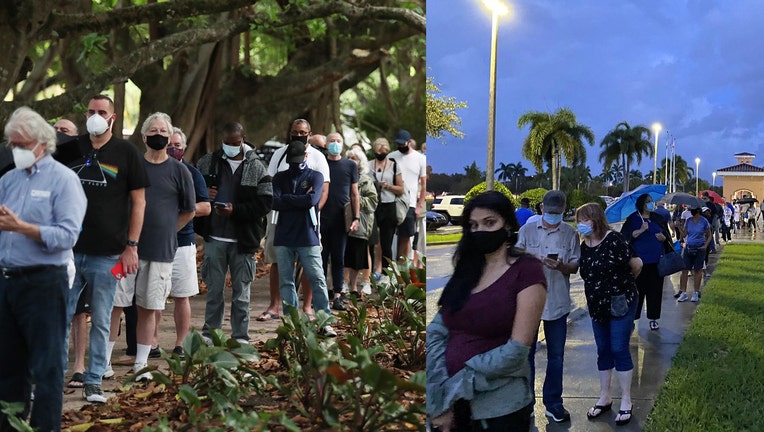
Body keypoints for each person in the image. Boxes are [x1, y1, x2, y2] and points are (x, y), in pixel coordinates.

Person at [427, 191, 546, 432]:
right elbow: (438, 330)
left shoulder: (527, 271)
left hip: (499, 410)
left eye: (489, 223)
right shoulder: (467, 270)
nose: (480, 231)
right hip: (449, 409)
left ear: (508, 226)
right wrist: (438, 391)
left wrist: (452, 391)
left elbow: (516, 351)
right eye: (473, 225)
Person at [0, 107, 87, 431]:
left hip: (43, 283)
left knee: (46, 367)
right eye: (12, 144)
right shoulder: (9, 178)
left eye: (20, 144)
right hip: (7, 281)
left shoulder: (64, 181)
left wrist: (22, 227)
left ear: (41, 143)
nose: (16, 150)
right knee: (8, 366)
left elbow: (67, 236)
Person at [66, 94, 150, 404]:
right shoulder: (72, 149)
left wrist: (132, 246)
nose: (95, 116)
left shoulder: (127, 152)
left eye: (102, 112)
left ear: (113, 117)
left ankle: (94, 381)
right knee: (59, 315)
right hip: (68, 252)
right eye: (90, 111)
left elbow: (139, 202)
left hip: (109, 254)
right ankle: (49, 377)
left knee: (101, 318)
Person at [107, 113, 195, 381]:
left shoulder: (180, 171)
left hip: (160, 252)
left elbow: (189, 210)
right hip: (124, 251)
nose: (158, 134)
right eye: (153, 130)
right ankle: (103, 362)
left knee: (149, 307)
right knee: (114, 305)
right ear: (143, 136)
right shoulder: (131, 165)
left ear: (170, 138)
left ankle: (142, 364)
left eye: (163, 130)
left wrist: (168, 230)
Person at [196, 122, 272, 343]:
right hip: (215, 238)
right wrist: (205, 194)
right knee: (214, 291)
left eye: (235, 143)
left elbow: (265, 202)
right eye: (227, 143)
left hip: (243, 239)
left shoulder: (257, 166)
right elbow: (192, 191)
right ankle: (211, 333)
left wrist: (236, 210)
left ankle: (240, 336)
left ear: (243, 139)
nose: (231, 147)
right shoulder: (208, 162)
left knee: (241, 293)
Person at [515, 190, 580, 423]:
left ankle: (553, 403)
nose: (553, 216)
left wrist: (561, 266)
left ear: (563, 210)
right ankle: (526, 403)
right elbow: (514, 260)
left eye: (557, 212)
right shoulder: (527, 231)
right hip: (528, 303)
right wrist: (531, 261)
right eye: (549, 211)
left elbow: (574, 266)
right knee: (526, 356)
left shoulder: (570, 234)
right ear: (541, 208)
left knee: (557, 356)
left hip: (557, 302)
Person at [575, 203, 642, 426]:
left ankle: (626, 398)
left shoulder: (614, 240)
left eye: (585, 219)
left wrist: (623, 284)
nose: (581, 224)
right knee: (603, 349)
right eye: (579, 220)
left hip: (621, 302)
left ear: (596, 219)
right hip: (597, 305)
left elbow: (637, 264)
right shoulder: (584, 245)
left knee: (618, 347)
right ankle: (605, 396)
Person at [258, 119, 330, 321]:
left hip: (308, 226)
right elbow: (274, 196)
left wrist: (304, 206)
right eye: (295, 132)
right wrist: (299, 200)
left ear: (309, 133)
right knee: (279, 267)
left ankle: (310, 309)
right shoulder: (280, 155)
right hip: (281, 225)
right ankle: (279, 309)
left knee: (313, 271)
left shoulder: (317, 160)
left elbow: (318, 195)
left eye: (302, 132)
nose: (299, 135)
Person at [150, 127, 211, 358]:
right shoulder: (153, 169)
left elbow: (206, 207)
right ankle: (152, 343)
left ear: (184, 148)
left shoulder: (191, 173)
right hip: (155, 242)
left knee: (181, 295)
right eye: (169, 144)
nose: (173, 148)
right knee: (153, 296)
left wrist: (183, 209)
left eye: (177, 145)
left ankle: (180, 344)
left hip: (183, 243)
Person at [271, 140, 336, 336]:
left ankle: (324, 322)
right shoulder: (279, 178)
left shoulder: (315, 176)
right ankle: (291, 322)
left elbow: (312, 200)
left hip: (308, 235)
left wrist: (288, 199)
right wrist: (298, 199)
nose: (296, 163)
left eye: (299, 159)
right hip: (283, 235)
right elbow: (274, 202)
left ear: (306, 157)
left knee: (317, 278)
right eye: (292, 160)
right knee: (286, 281)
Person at [321, 132, 359, 311]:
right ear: (326, 144)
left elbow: (354, 194)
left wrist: (356, 217)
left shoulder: (350, 165)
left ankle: (337, 295)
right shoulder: (320, 163)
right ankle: (319, 295)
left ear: (343, 145)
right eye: (331, 141)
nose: (335, 144)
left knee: (338, 258)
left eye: (338, 141)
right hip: (321, 217)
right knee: (320, 258)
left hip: (341, 219)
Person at [621, 194, 671, 331]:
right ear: (642, 204)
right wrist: (640, 230)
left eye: (651, 201)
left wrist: (663, 238)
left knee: (655, 291)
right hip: (639, 263)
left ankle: (653, 318)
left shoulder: (657, 218)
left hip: (656, 262)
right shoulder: (633, 219)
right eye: (648, 202)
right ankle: (633, 318)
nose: (651, 204)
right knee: (637, 291)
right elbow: (625, 237)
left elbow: (666, 235)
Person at [387, 130, 426, 261]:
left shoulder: (420, 158)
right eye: (398, 144)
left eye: (402, 144)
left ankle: (402, 265)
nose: (400, 146)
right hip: (391, 201)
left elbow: (424, 184)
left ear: (409, 142)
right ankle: (390, 266)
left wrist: (419, 205)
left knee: (406, 237)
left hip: (409, 204)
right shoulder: (391, 157)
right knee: (389, 236)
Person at [344, 148, 378, 297]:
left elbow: (373, 200)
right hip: (343, 220)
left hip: (361, 222)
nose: (352, 160)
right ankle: (344, 283)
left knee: (359, 254)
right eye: (349, 157)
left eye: (355, 158)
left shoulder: (365, 180)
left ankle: (359, 284)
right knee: (345, 253)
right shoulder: (342, 177)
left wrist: (356, 199)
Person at [369, 137, 404, 271]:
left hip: (389, 205)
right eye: (378, 151)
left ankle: (387, 272)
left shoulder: (394, 166)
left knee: (386, 243)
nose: (380, 153)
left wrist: (388, 186)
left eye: (383, 151)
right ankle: (371, 273)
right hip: (373, 206)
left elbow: (401, 189)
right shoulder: (368, 165)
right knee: (371, 241)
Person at [676, 206, 711, 303]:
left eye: (693, 210)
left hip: (700, 248)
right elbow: (684, 235)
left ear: (698, 211)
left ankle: (696, 291)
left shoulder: (704, 221)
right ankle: (683, 292)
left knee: (698, 270)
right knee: (684, 270)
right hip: (689, 247)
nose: (691, 212)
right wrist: (679, 226)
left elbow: (709, 235)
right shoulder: (689, 221)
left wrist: (705, 245)